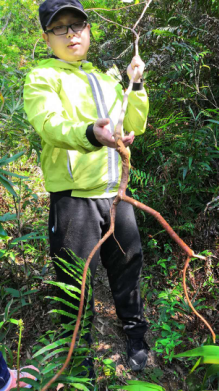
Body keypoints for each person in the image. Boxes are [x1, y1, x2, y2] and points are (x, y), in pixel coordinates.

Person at [23, 0, 149, 375]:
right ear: (47, 38)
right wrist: (89, 133)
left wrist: (136, 83)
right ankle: (79, 363)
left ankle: (135, 336)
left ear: (89, 30)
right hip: (74, 198)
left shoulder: (106, 77)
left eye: (76, 25)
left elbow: (135, 124)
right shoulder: (42, 77)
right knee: (74, 284)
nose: (70, 34)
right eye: (59, 27)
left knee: (128, 266)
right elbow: (50, 124)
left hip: (116, 194)